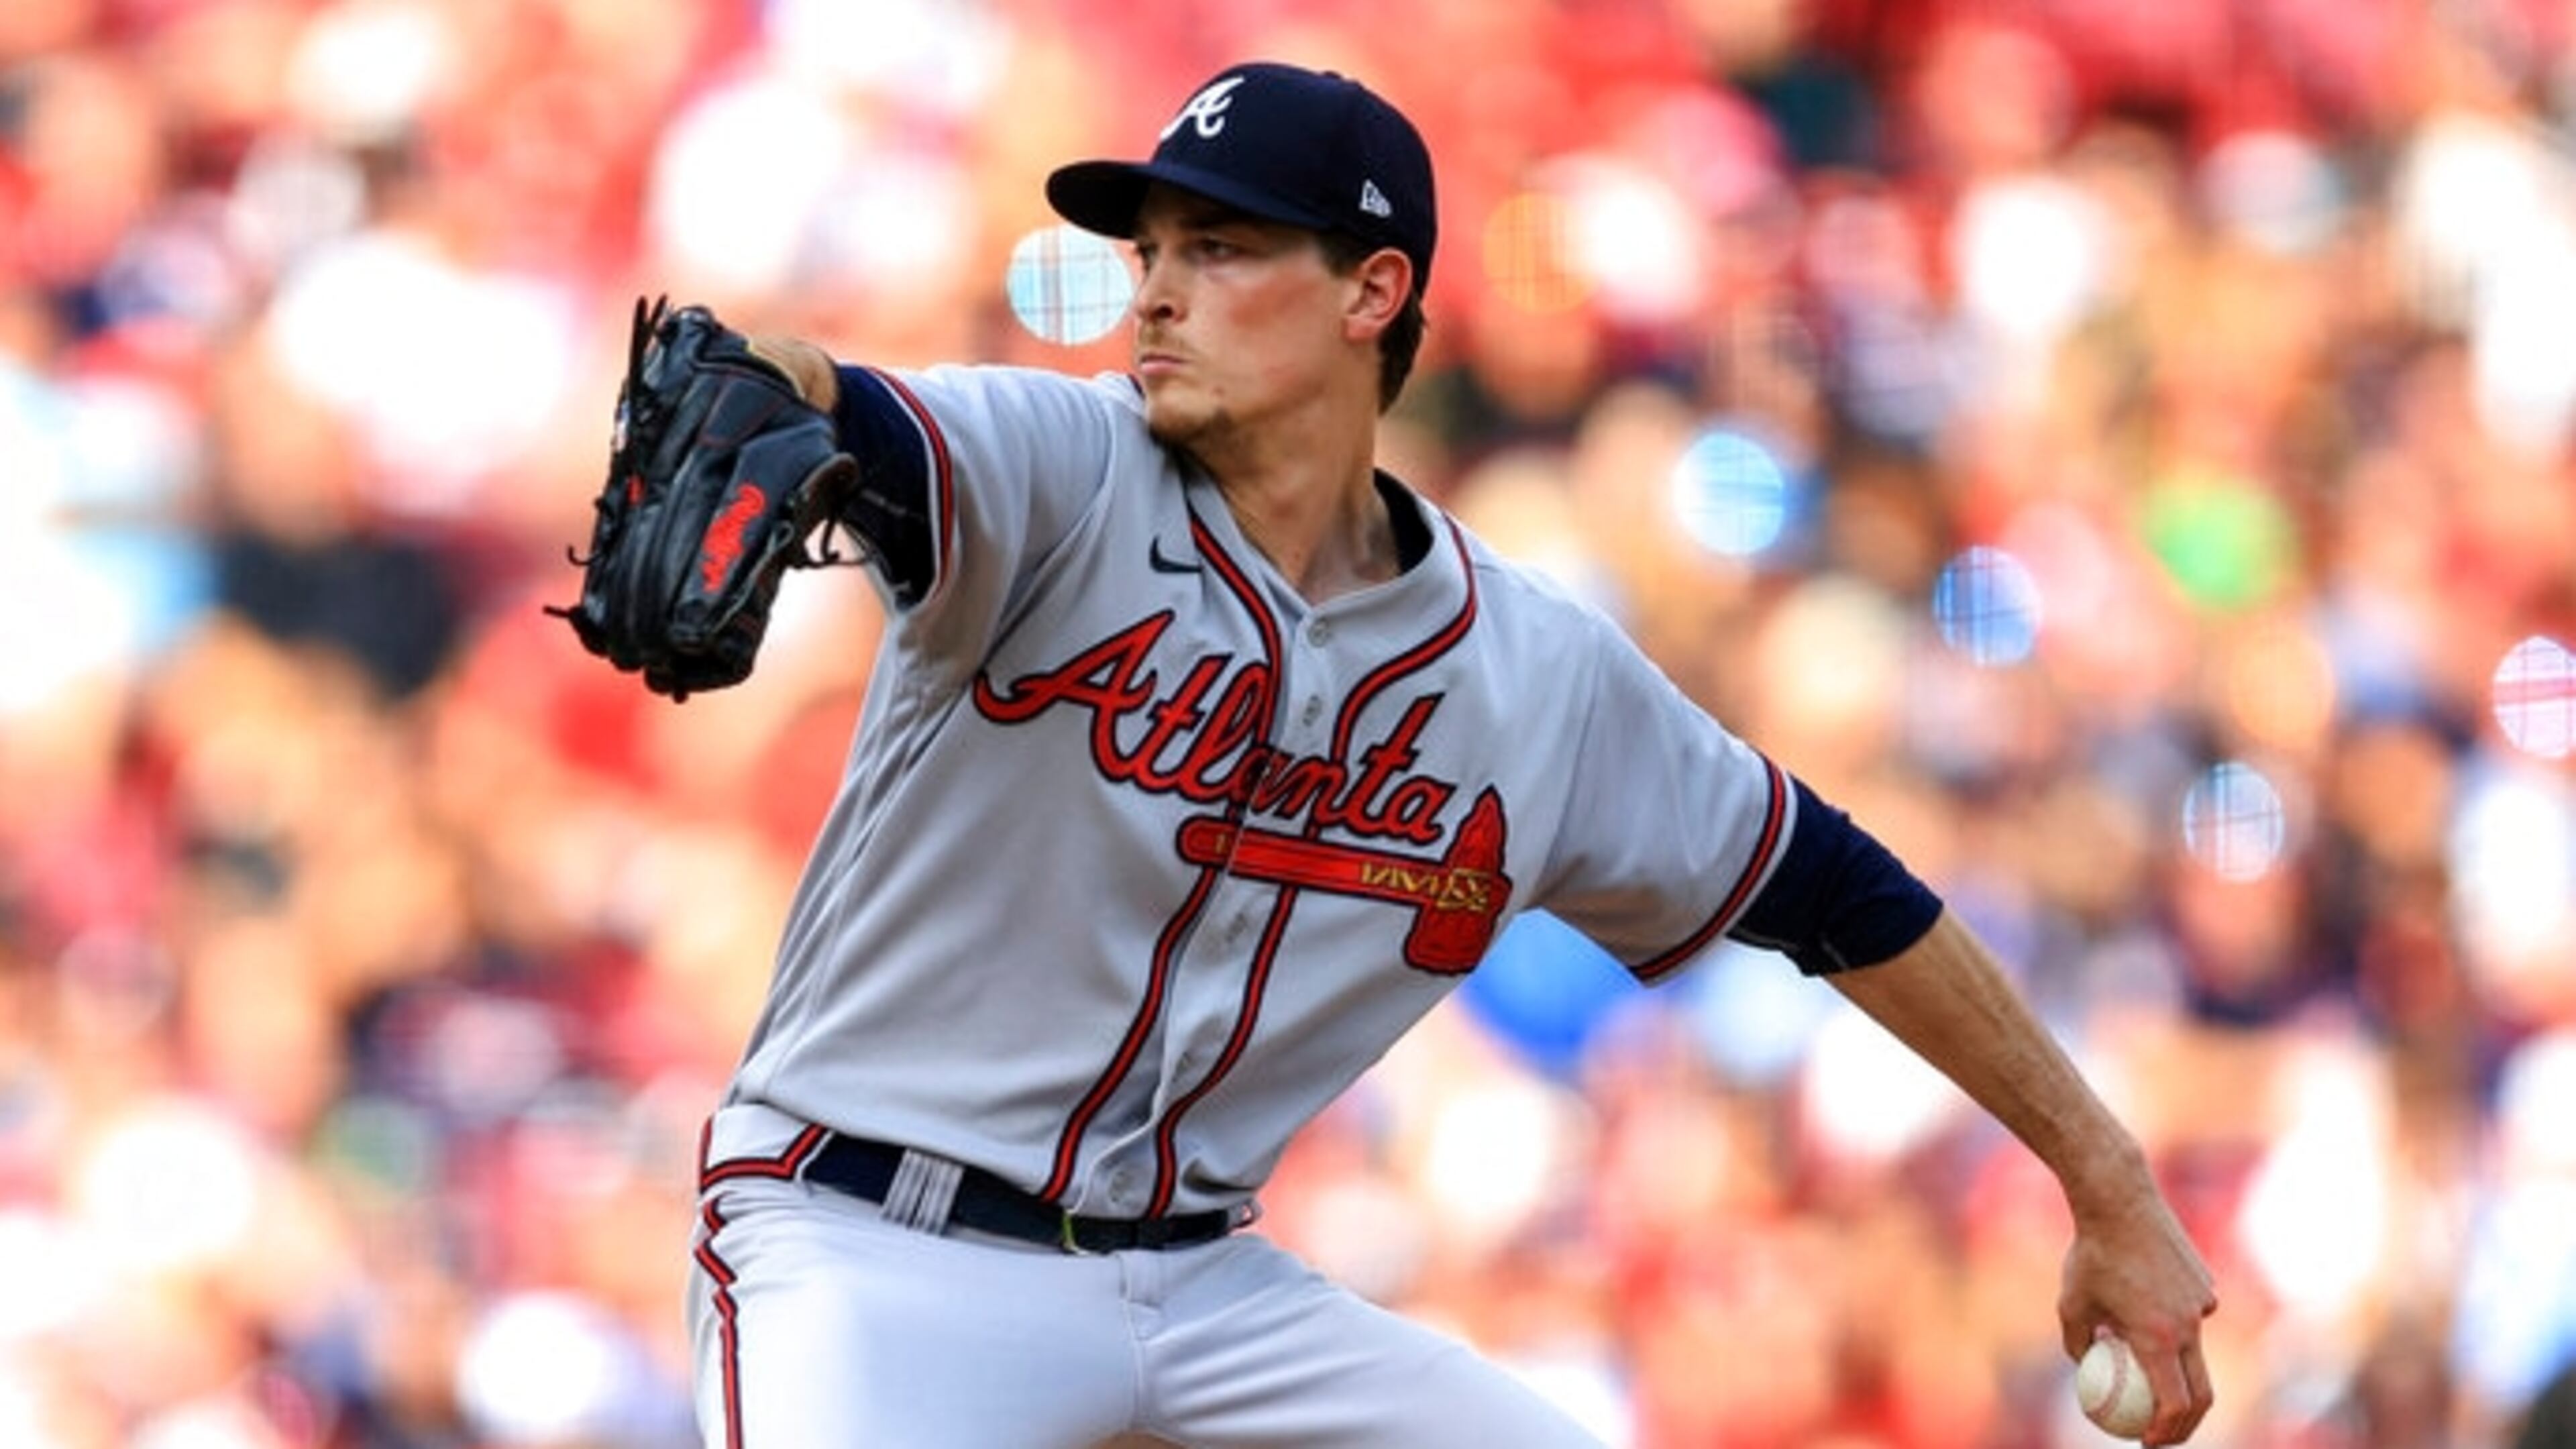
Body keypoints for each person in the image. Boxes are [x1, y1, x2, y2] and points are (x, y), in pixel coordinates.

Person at [682, 59, 2218, 1448]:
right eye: (1148, 252)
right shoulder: (1065, 470)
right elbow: (843, 406)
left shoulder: (1528, 672)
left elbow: (1842, 897)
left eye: (1218, 249)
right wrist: (765, 386)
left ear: (1373, 292)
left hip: (1201, 1289)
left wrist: (2106, 1178)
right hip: (871, 1242)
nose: (1153, 296)